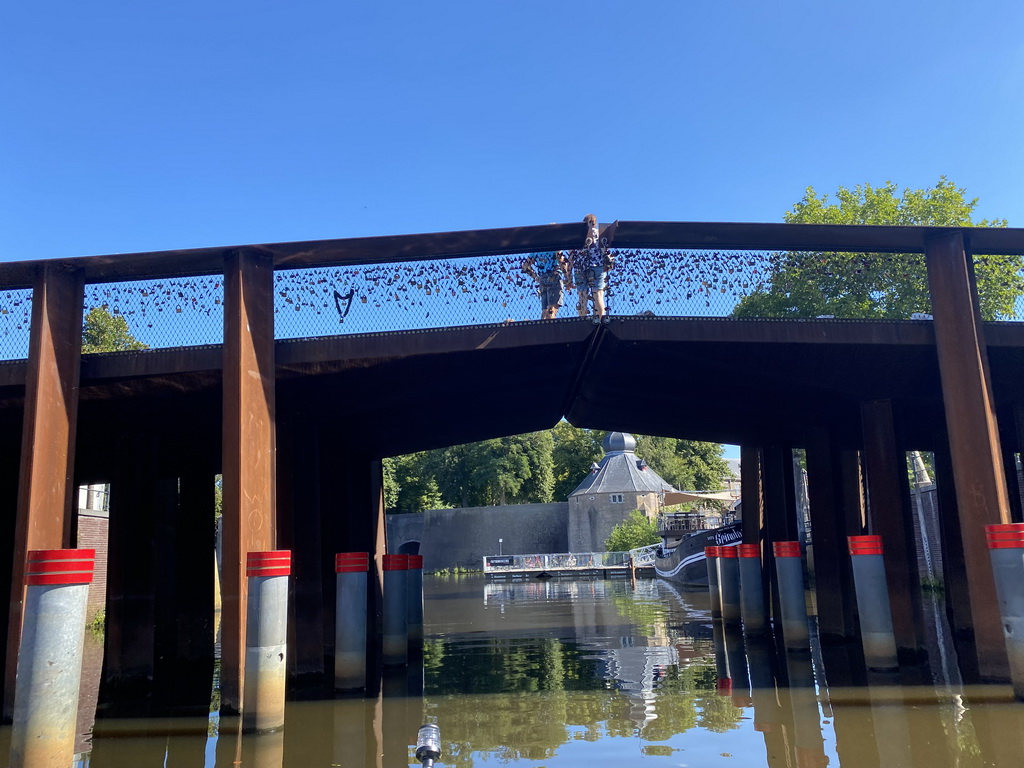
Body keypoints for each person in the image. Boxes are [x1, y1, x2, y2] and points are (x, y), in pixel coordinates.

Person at [571, 214, 614, 317]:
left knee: (582, 295)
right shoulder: (600, 234)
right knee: (598, 294)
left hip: (579, 268)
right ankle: (601, 319)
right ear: (595, 222)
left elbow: (571, 254)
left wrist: (568, 275)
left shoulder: (577, 236)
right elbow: (605, 251)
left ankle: (582, 319)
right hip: (597, 266)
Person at [521, 250, 569, 319]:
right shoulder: (555, 245)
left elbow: (525, 266)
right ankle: (551, 327)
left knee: (544, 310)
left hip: (543, 279)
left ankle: (543, 327)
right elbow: (561, 259)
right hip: (554, 276)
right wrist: (567, 278)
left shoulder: (537, 249)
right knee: (551, 309)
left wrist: (536, 277)